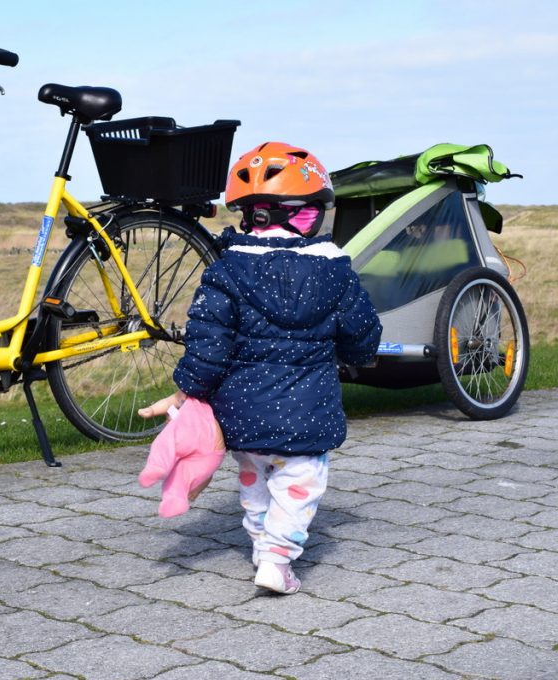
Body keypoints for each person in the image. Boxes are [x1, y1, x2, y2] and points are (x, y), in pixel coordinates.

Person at [139, 142, 382, 594]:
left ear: (250, 218)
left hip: (243, 416)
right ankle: (277, 558)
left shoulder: (226, 272)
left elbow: (207, 345)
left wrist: (188, 389)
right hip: (308, 416)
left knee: (254, 480)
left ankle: (258, 543)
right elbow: (362, 338)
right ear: (307, 218)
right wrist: (359, 354)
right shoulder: (337, 273)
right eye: (313, 216)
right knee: (298, 487)